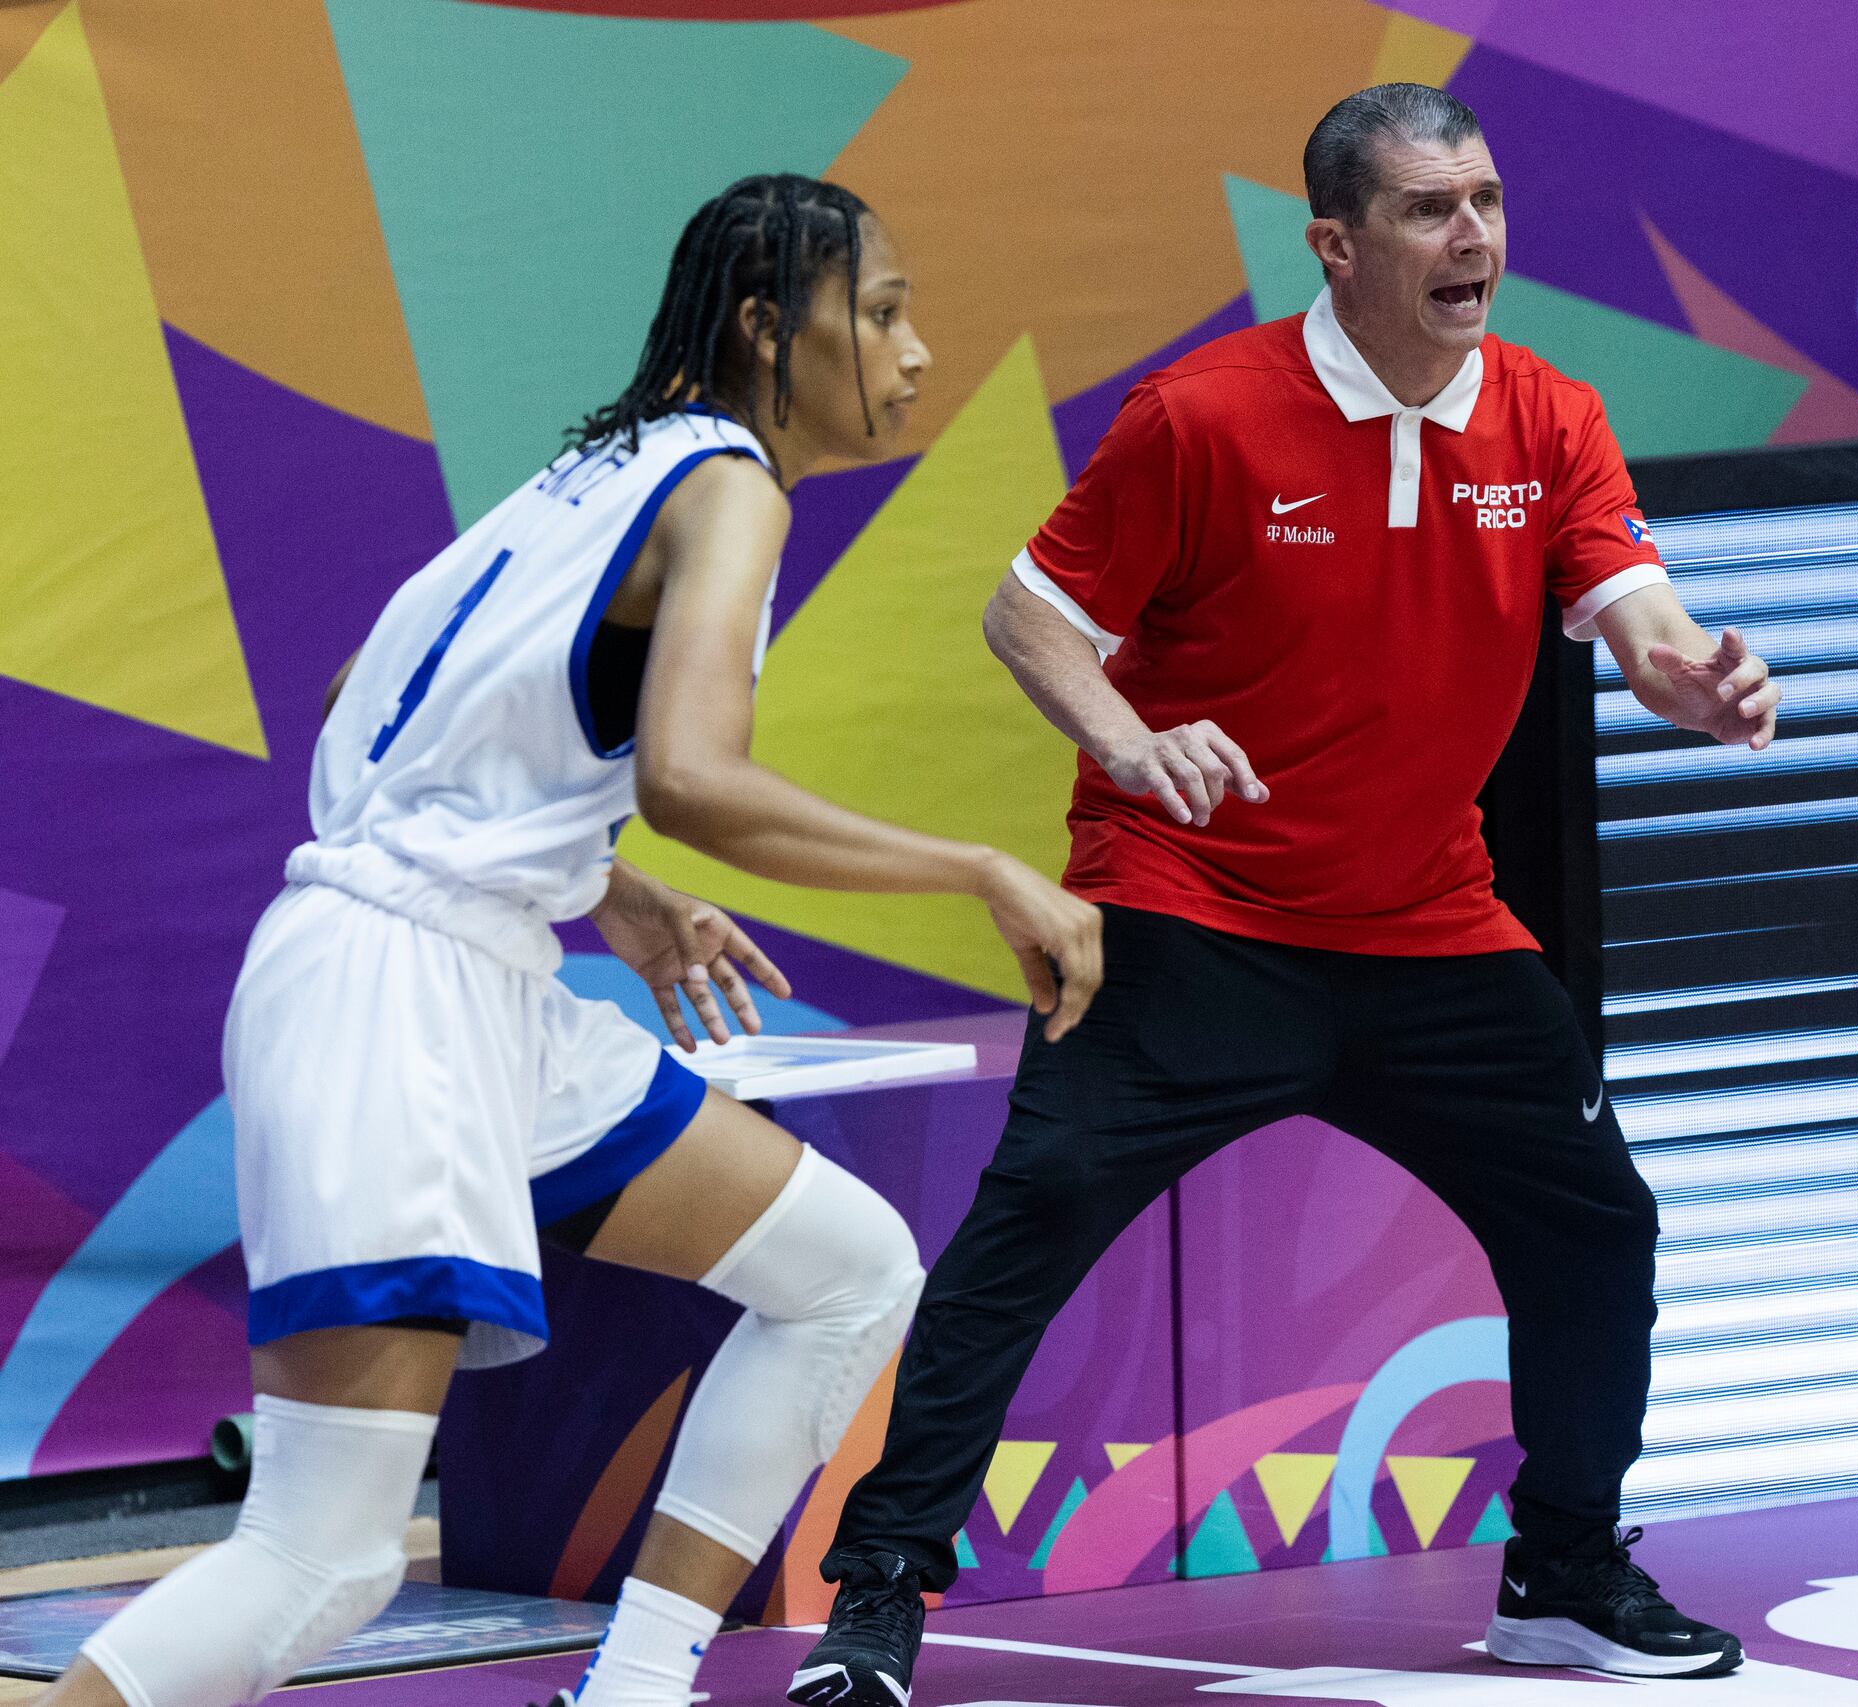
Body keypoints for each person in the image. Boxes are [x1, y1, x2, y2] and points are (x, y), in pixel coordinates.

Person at [37, 174, 1100, 1707]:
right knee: (323, 1555)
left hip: (478, 984)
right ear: (763, 325)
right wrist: (986, 869)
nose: (915, 350)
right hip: (395, 1002)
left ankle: (636, 1683)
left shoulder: (592, 470)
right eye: (877, 311)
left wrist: (607, 888)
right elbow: (692, 776)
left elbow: (356, 694)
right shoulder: (731, 482)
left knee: (854, 1269)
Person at [789, 86, 1780, 1706]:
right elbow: (1028, 615)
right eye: (1426, 210)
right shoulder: (1205, 416)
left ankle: (1565, 1563)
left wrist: (1704, 683)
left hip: (1430, 924)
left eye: (1486, 200)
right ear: (1335, 242)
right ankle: (880, 1594)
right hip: (1191, 913)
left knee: (1599, 1221)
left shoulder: (1548, 415)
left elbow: (1637, 615)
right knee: (1027, 1224)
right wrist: (1128, 736)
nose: (1472, 237)